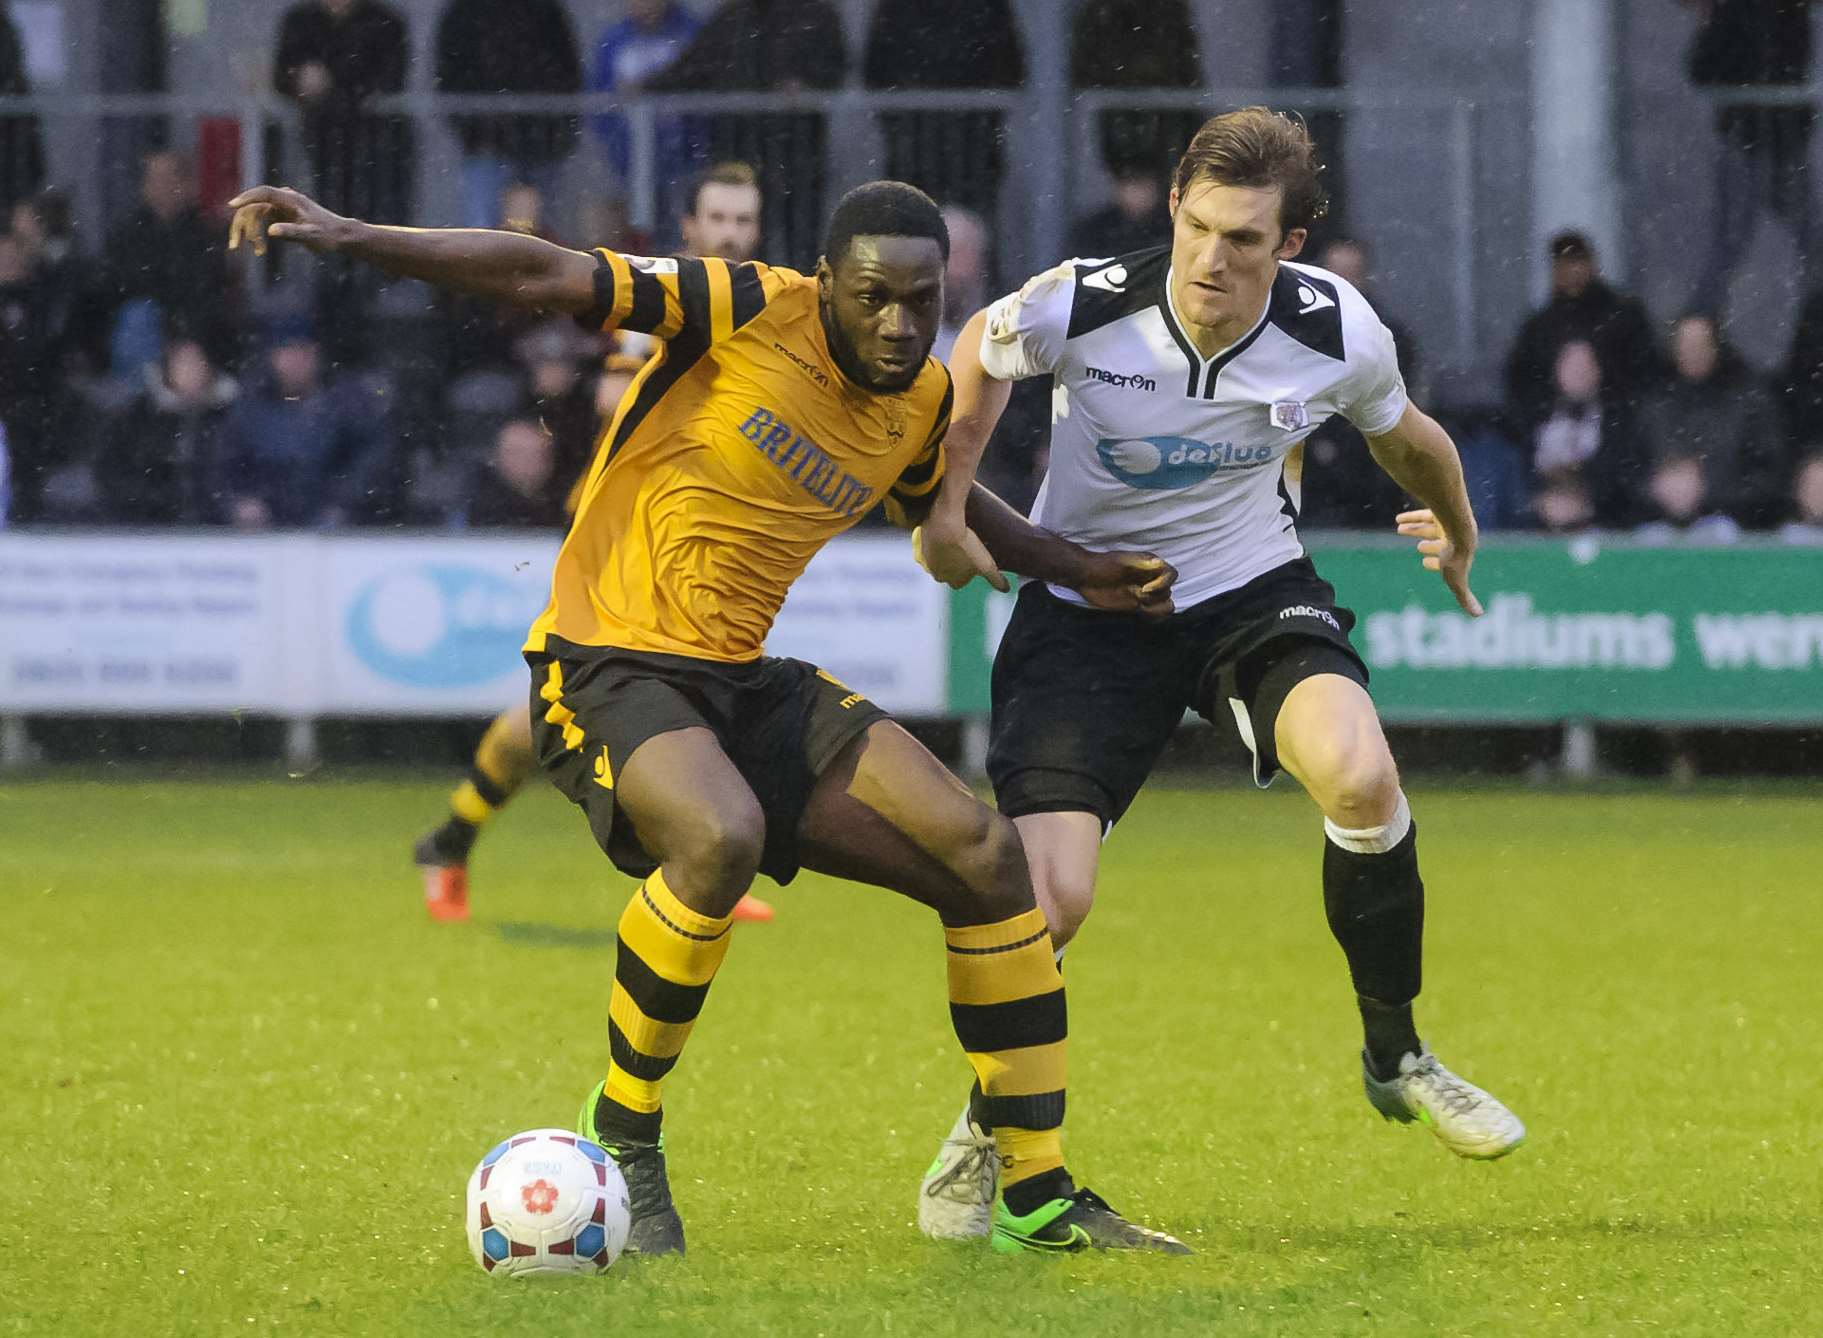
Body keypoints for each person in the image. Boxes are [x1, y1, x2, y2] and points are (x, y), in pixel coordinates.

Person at [229, 176, 1187, 1257]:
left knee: (983, 857)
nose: (899, 323)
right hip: (604, 661)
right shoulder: (743, 305)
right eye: (874, 296)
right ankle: (624, 1127)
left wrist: (1084, 569)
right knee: (717, 835)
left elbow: (949, 509)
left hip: (742, 680)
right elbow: (545, 270)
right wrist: (353, 230)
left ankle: (1033, 1194)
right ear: (826, 283)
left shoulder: (917, 399)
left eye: (922, 301)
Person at [911, 107, 1528, 1241]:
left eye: (1242, 239)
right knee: (1046, 907)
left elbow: (1410, 439)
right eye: (1196, 227)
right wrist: (950, 506)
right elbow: (979, 351)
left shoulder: (1333, 327)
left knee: (1358, 777)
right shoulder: (1084, 301)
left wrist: (1457, 528)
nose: (1209, 258)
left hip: (1247, 589)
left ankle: (1393, 1052)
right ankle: (988, 1131)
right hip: (1086, 605)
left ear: (1288, 244)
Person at [410, 163, 772, 926]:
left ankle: (450, 838)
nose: (734, 234)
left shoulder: (764, 308)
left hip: (690, 543)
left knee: (570, 715)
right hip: (621, 540)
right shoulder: (669, 303)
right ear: (691, 230)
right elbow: (613, 394)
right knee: (637, 702)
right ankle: (699, 866)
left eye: (745, 221)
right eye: (720, 219)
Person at [647, 0, 846, 268]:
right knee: (747, 236)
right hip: (747, 148)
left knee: (799, 238)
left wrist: (807, 85)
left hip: (794, 152)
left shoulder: (813, 14)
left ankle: (799, 295)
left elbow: (836, 66)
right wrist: (649, 86)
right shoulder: (734, 16)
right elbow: (694, 65)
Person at [1686, 0, 1815, 314]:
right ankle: (1700, 326)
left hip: (1782, 136)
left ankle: (1814, 320)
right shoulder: (1734, 13)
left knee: (1810, 237)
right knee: (1732, 240)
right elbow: (1702, 69)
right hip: (1748, 135)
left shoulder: (1789, 13)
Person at [216, 314, 389, 529]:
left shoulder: (347, 402)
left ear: (316, 354)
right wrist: (240, 502)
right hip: (265, 531)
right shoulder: (250, 404)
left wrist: (342, 503)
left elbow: (372, 457)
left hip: (335, 529)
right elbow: (226, 466)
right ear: (273, 357)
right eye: (287, 353)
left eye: (303, 352)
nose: (295, 362)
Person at [863, 0, 1024, 216]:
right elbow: (875, 70)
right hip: (955, 145)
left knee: (927, 227)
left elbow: (1010, 67)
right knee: (938, 225)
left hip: (955, 145)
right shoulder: (898, 9)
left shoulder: (898, 9)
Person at [434, 0, 582, 230]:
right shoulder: (463, 12)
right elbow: (449, 77)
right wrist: (476, 127)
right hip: (488, 142)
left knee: (538, 231)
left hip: (540, 140)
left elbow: (567, 73)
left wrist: (553, 127)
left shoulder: (544, 10)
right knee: (482, 228)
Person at [1637, 313, 1785, 529]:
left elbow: (1770, 475)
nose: (1693, 352)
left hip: (1730, 526)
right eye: (1686, 344)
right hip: (1657, 524)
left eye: (1700, 344)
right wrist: (1657, 490)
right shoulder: (1653, 405)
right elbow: (1628, 471)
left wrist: (1708, 491)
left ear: (1716, 347)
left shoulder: (1749, 403)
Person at [1504, 231, 1658, 436]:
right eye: (1564, 264)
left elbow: (1644, 375)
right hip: (1552, 436)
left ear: (1593, 264)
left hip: (1616, 433)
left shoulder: (1624, 316)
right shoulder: (1539, 327)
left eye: (1577, 262)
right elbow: (1521, 383)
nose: (1572, 271)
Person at [273, 0, 412, 224]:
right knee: (319, 212)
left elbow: (390, 80)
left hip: (375, 145)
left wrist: (332, 83)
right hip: (317, 140)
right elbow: (280, 76)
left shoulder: (383, 20)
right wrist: (299, 77)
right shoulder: (302, 19)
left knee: (372, 218)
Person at [95, 337, 238, 525]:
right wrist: (152, 499)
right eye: (182, 362)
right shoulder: (139, 415)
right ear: (167, 368)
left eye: (197, 362)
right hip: (146, 527)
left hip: (214, 527)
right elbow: (112, 470)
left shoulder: (229, 415)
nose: (190, 370)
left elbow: (234, 470)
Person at [1527, 339, 1644, 532]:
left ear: (1598, 371)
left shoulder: (1617, 422)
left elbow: (1622, 479)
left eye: (1585, 365)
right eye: (1571, 364)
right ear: (1557, 370)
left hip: (1602, 528)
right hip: (1538, 529)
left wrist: (1584, 501)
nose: (1578, 373)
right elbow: (1519, 474)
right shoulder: (1535, 417)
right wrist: (1541, 502)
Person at [588, 0, 699, 202]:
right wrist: (614, 146)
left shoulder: (688, 33)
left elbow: (698, 82)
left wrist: (696, 146)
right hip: (627, 155)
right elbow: (600, 98)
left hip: (683, 155)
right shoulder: (614, 39)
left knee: (681, 213)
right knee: (634, 218)